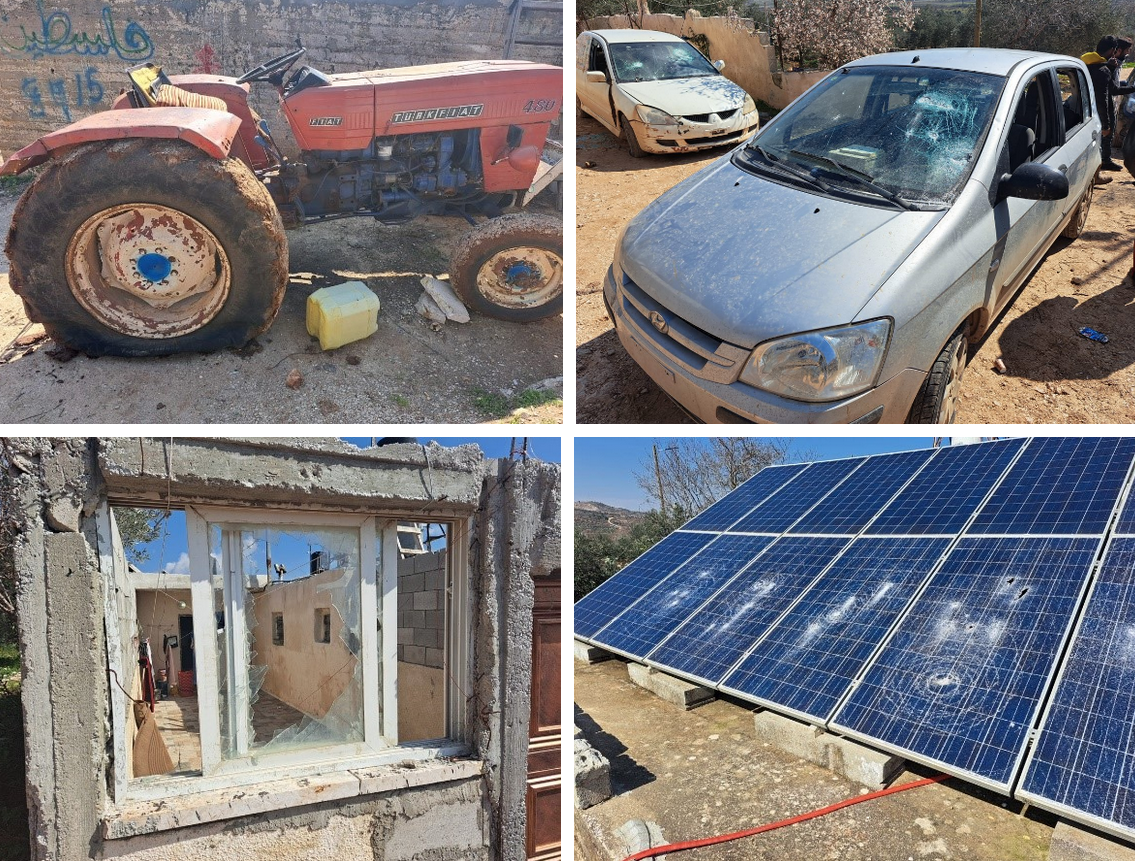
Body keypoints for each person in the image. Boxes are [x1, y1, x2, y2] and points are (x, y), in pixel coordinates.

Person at [1083, 35, 1135, 177]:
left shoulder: (1086, 63)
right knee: (1099, 143)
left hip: (1085, 110)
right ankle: (1096, 175)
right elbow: (1104, 98)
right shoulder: (1103, 70)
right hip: (1099, 113)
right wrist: (1105, 124)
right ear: (1113, 50)